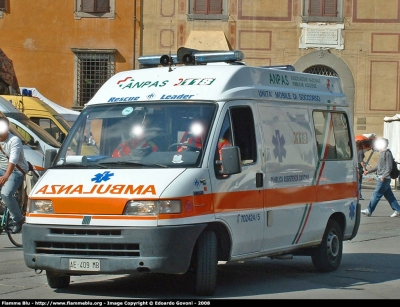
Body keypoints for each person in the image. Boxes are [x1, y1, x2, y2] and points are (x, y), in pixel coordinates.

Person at [0, 116, 29, 233]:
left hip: (16, 171)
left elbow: (13, 160)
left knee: (6, 194)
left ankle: (18, 219)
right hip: (1, 169)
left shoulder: (14, 140)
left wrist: (6, 176)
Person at [361, 137, 400, 217]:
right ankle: (398, 210)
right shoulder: (382, 153)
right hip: (383, 177)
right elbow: (379, 166)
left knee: (376, 194)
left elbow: (389, 167)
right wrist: (368, 171)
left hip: (384, 178)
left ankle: (369, 210)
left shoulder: (387, 153)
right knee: (390, 196)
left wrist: (384, 176)